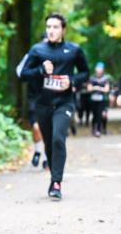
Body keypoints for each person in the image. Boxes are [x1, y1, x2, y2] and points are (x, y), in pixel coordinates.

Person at [18, 13, 89, 200]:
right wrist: (41, 70)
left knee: (58, 138)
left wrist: (71, 80)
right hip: (42, 104)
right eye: (48, 27)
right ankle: (53, 177)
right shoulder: (37, 50)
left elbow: (85, 73)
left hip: (64, 102)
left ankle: (56, 182)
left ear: (63, 29)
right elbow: (23, 74)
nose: (51, 30)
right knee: (49, 143)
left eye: (55, 27)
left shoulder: (74, 50)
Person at [16, 33, 48, 169]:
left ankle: (46, 157)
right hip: (34, 96)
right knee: (36, 126)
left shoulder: (59, 55)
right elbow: (19, 72)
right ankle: (38, 150)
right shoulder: (32, 55)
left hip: (51, 97)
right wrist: (38, 71)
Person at [87, 62, 112, 137]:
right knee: (94, 115)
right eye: (98, 68)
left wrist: (96, 88)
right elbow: (89, 88)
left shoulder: (105, 78)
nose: (99, 70)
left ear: (103, 69)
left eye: (100, 68)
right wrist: (100, 88)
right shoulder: (92, 78)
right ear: (95, 69)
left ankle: (99, 130)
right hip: (93, 100)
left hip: (102, 100)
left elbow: (107, 89)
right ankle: (93, 129)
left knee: (101, 114)